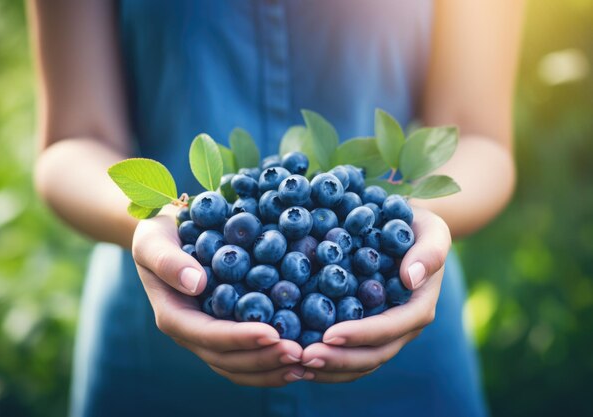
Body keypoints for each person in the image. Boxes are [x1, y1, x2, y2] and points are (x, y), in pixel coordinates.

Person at [27, 1, 523, 416]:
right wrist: (160, 225)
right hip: (163, 338)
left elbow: (477, 137)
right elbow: (74, 141)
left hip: (397, 330)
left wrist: (410, 224)